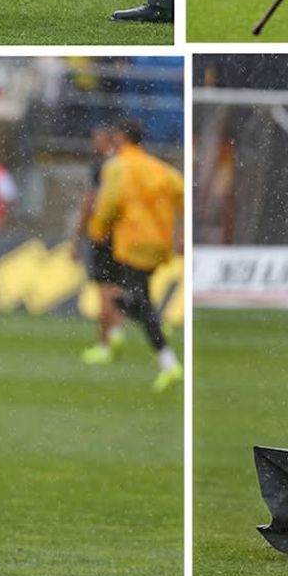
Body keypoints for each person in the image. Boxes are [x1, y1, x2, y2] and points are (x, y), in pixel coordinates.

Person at [86, 118, 185, 391]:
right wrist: (181, 233)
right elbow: (183, 195)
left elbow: (109, 203)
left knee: (132, 300)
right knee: (134, 296)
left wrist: (97, 230)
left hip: (132, 245)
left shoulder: (116, 167)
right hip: (159, 245)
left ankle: (169, 362)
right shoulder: (160, 168)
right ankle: (150, 322)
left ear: (121, 138)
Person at [77, 125, 126, 363]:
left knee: (104, 289)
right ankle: (117, 329)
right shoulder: (125, 164)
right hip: (124, 235)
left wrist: (79, 232)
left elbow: (92, 200)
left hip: (103, 234)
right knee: (117, 285)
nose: (93, 143)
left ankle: (105, 343)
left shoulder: (103, 166)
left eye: (96, 138)